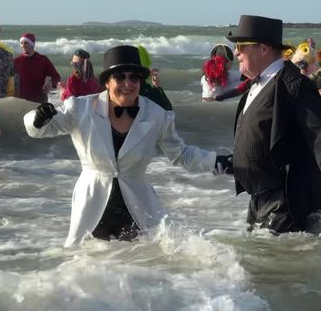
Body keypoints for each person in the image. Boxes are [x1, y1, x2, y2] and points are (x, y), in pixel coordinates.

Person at [24, 45, 232, 247]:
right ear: (106, 82)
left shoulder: (156, 114)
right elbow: (39, 129)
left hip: (138, 209)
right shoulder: (79, 108)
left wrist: (218, 162)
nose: (128, 83)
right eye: (120, 77)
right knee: (86, 267)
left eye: (134, 77)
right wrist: (38, 118)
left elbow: (180, 154)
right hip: (92, 205)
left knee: (144, 266)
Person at [224, 15, 321, 233]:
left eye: (241, 46)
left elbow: (318, 137)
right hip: (257, 201)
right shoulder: (256, 85)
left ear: (263, 48)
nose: (236, 52)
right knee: (251, 265)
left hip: (285, 203)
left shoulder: (294, 86)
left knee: (275, 266)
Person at [14, 32, 61, 103]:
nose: (23, 45)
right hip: (21, 101)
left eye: (26, 43)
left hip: (39, 100)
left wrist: (50, 84)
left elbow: (56, 77)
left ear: (32, 44)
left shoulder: (43, 60)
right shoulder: (16, 61)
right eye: (21, 43)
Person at [136, 45, 173, 110]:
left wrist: (156, 87)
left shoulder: (147, 88)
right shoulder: (143, 90)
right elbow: (167, 109)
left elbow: (167, 110)